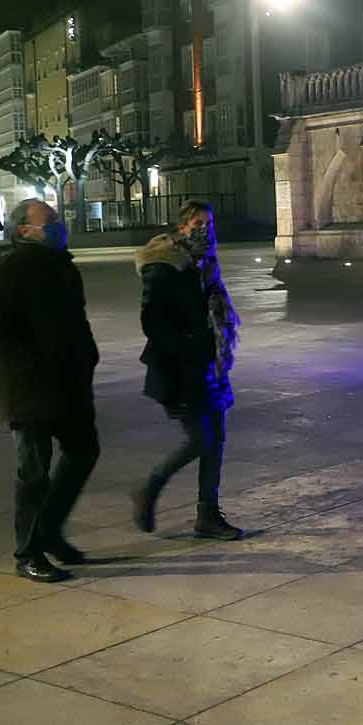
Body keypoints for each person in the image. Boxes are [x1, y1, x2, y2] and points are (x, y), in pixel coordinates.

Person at [0, 199, 100, 582]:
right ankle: (27, 551)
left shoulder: (63, 267)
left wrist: (88, 354)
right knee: (34, 472)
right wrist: (27, 362)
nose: (59, 225)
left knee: (83, 451)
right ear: (24, 230)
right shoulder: (9, 269)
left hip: (70, 383)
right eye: (51, 221)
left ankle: (50, 531)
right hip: (28, 388)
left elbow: (78, 319)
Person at [131, 200, 244, 540]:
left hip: (210, 364)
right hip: (181, 369)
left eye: (208, 222)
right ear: (181, 227)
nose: (204, 228)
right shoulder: (163, 265)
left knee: (216, 438)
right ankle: (149, 488)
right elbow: (152, 322)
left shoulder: (204, 262)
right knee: (200, 438)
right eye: (197, 222)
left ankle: (207, 514)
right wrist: (188, 350)